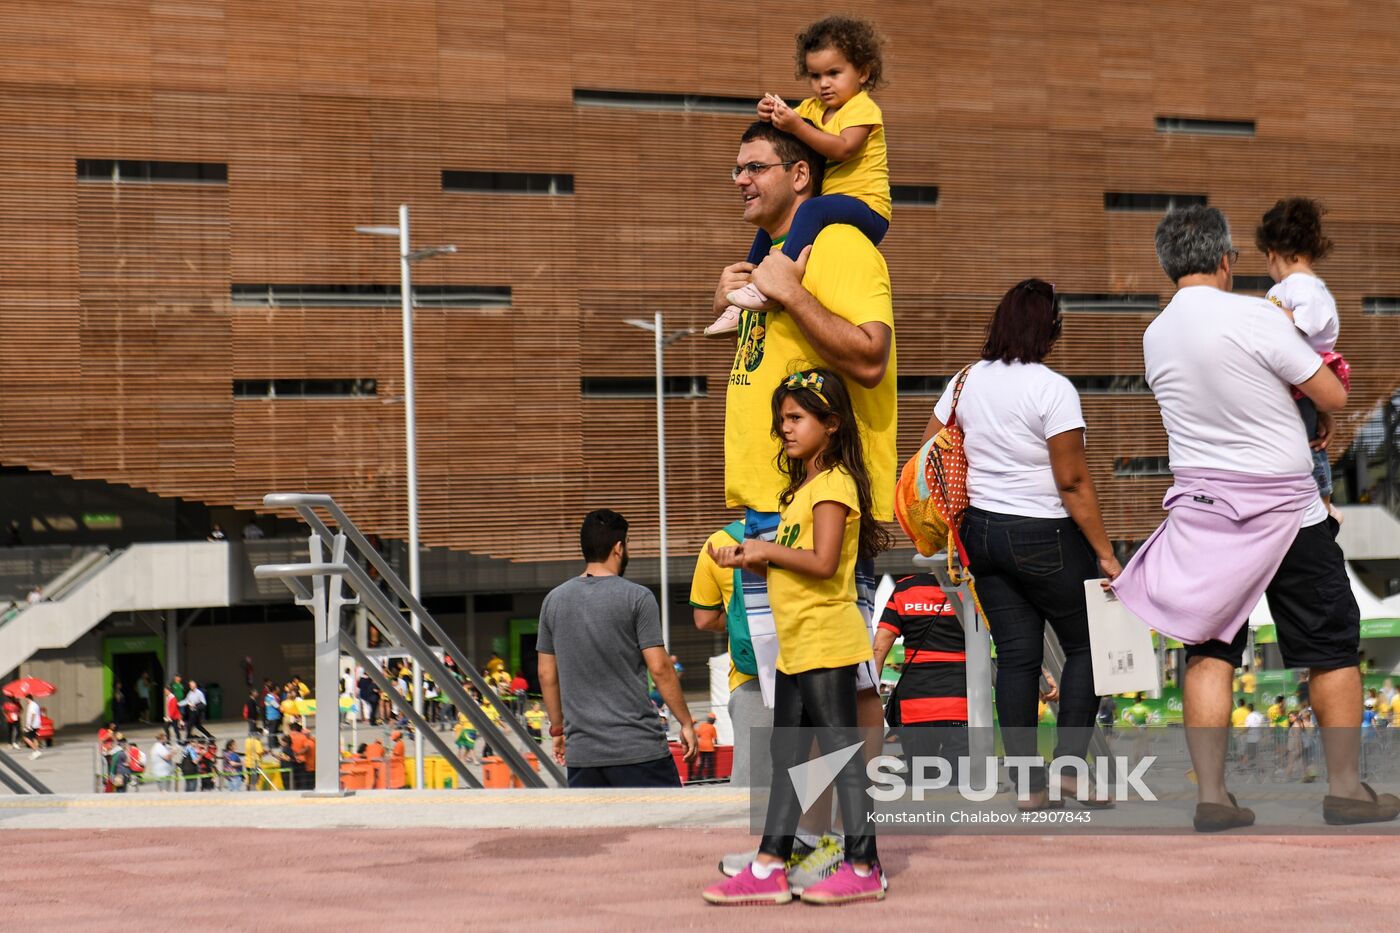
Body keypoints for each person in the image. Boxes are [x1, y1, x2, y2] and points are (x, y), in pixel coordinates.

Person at [1112, 204, 1397, 830]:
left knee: (1210, 648)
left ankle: (1213, 797)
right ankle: (1346, 789)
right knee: (1330, 647)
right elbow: (1332, 393)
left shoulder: (1155, 334)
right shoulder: (1255, 315)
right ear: (1225, 260)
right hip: (1286, 509)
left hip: (1202, 511)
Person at [921, 279, 1121, 809]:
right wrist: (1105, 553)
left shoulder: (965, 381)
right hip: (1044, 534)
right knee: (1088, 646)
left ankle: (1029, 786)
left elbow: (929, 451)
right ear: (1049, 328)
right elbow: (1072, 482)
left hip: (981, 535)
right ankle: (1071, 771)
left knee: (1016, 657)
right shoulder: (1052, 389)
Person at [705, 369, 891, 906]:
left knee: (839, 754)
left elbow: (825, 562)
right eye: (782, 419)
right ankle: (769, 865)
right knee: (789, 756)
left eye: (796, 418)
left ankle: (864, 866)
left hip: (826, 638)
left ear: (830, 424)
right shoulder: (803, 490)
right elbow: (800, 564)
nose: (784, 428)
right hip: (799, 642)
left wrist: (765, 550)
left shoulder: (833, 484)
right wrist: (749, 559)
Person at [709, 15, 890, 335]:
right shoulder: (812, 108)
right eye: (815, 75)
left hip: (867, 207)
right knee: (768, 227)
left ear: (862, 72)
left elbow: (844, 148)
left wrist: (795, 125)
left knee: (810, 208)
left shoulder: (862, 108)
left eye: (834, 73)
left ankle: (772, 283)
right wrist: (770, 114)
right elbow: (788, 135)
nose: (823, 84)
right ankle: (744, 295)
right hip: (832, 204)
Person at [537, 509, 698, 788]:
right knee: (663, 817)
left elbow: (546, 674)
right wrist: (685, 722)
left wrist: (558, 729)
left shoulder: (553, 601)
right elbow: (660, 668)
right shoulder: (637, 597)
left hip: (583, 754)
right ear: (619, 548)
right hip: (638, 749)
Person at [1256, 197, 1345, 521]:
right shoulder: (1294, 287)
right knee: (1304, 440)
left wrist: (1265, 315)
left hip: (1303, 382)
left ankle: (1323, 504)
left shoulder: (1304, 287)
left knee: (1309, 443)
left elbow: (1303, 327)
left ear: (1272, 253)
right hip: (1296, 381)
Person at [690, 520, 770, 788]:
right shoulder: (811, 527)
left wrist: (741, 620)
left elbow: (704, 619)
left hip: (753, 677)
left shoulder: (720, 543)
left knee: (753, 786)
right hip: (812, 666)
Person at [872, 573, 969, 781]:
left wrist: (869, 697)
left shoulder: (906, 588)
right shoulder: (972, 587)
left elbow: (879, 647)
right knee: (960, 780)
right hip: (960, 702)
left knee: (920, 780)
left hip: (915, 706)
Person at [690, 713, 719, 782]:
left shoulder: (702, 725)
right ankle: (710, 777)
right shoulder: (712, 727)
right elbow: (715, 739)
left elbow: (698, 735)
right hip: (709, 747)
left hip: (701, 746)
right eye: (714, 720)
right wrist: (716, 743)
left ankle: (699, 777)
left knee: (702, 762)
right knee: (710, 763)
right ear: (712, 720)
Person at [22, 693, 41, 759]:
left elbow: (33, 715)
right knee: (34, 738)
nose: (25, 701)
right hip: (36, 724)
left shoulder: (32, 705)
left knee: (25, 737)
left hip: (32, 725)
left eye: (26, 699)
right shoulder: (34, 704)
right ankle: (36, 752)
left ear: (28, 698)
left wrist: (29, 725)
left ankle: (36, 751)